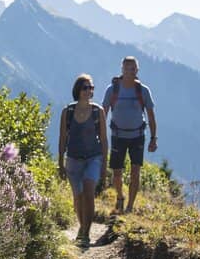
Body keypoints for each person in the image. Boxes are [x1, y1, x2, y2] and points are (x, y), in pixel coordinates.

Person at [58, 74, 108, 248]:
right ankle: (81, 226)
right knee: (78, 197)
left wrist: (104, 164)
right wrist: (60, 163)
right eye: (85, 88)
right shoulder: (68, 112)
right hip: (73, 159)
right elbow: (62, 139)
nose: (89, 91)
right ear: (78, 90)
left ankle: (86, 232)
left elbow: (104, 139)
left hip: (93, 158)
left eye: (91, 88)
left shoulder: (97, 111)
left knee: (88, 191)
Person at [102, 56, 157, 213]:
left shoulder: (143, 91)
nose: (129, 71)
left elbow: (151, 116)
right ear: (122, 69)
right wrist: (99, 135)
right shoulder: (112, 90)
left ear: (137, 70)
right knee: (117, 173)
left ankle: (130, 207)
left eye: (133, 69)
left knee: (135, 172)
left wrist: (153, 138)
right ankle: (120, 196)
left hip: (137, 137)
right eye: (127, 68)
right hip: (117, 136)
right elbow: (103, 113)